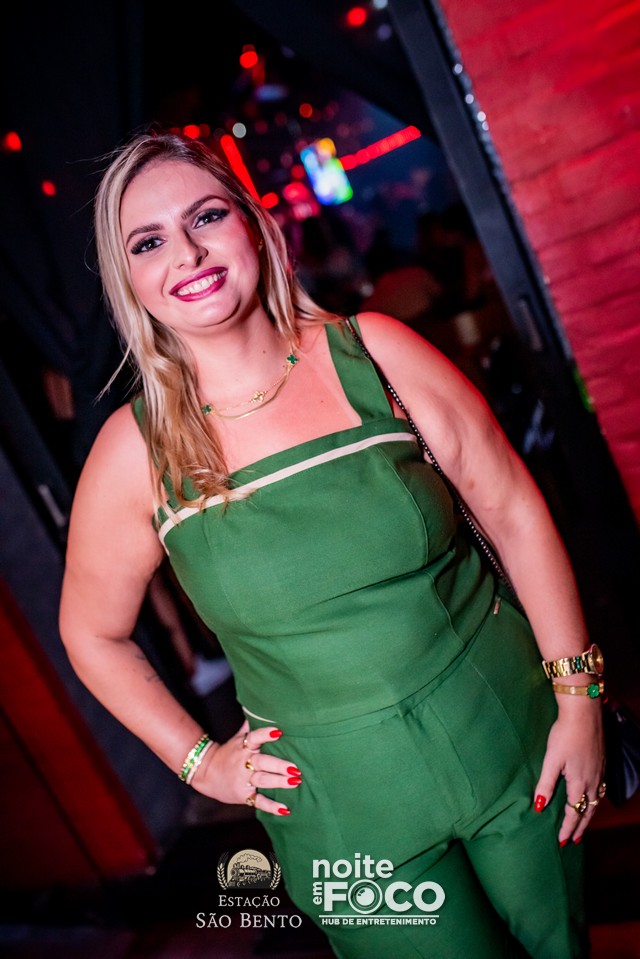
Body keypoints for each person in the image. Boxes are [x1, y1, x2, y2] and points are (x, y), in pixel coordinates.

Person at [59, 130, 604, 959]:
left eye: (206, 216)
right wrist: (200, 761)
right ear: (126, 278)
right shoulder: (134, 453)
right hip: (343, 809)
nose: (188, 253)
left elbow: (514, 510)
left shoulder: (374, 350)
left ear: (253, 224)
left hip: (509, 731)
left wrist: (579, 697)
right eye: (148, 241)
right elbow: (90, 633)